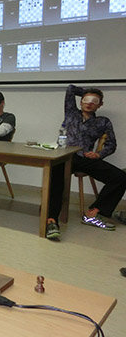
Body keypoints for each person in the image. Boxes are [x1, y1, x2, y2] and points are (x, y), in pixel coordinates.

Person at [45, 85, 126, 240]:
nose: (89, 103)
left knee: (120, 177)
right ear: (81, 101)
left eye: (94, 101)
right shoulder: (71, 113)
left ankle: (94, 213)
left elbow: (111, 144)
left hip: (84, 158)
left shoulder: (103, 122)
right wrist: (89, 93)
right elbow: (70, 89)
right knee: (56, 180)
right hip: (64, 155)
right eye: (86, 100)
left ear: (100, 105)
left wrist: (98, 154)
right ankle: (51, 220)